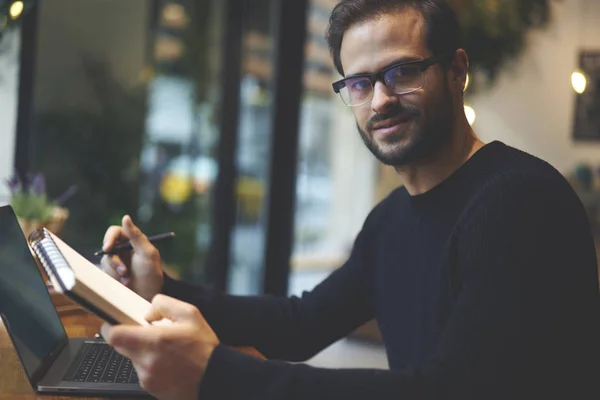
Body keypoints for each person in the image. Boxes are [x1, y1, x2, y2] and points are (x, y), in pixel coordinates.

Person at [101, 1, 600, 399]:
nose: (380, 100)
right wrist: (162, 285)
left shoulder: (518, 201)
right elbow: (299, 325)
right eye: (360, 83)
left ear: (456, 70)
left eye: (403, 72)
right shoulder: (390, 220)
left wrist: (216, 374)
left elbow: (455, 390)